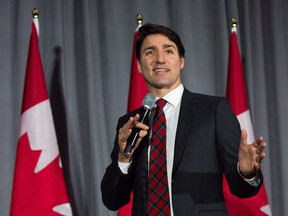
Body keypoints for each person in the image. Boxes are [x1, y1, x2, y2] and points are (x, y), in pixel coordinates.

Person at [101, 23, 266, 216]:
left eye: (168, 51)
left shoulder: (214, 110)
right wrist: (123, 158)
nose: (160, 59)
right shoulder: (130, 123)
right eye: (150, 53)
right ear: (139, 65)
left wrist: (246, 172)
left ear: (181, 61)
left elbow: (242, 190)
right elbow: (112, 200)